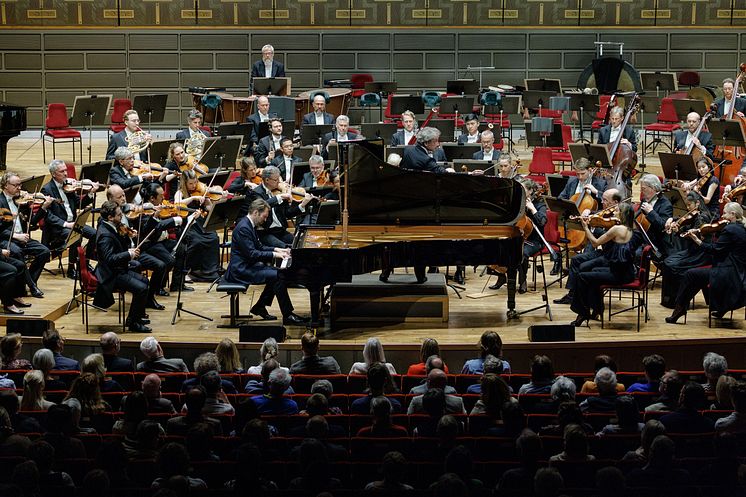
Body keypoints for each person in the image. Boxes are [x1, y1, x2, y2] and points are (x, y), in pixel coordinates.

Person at [223, 198, 307, 325]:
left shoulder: (249, 225)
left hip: (247, 266)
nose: (265, 219)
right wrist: (275, 255)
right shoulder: (243, 228)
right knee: (278, 275)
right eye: (264, 216)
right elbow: (252, 254)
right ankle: (287, 315)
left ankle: (260, 307)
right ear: (256, 212)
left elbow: (260, 247)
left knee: (277, 274)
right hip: (240, 270)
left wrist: (279, 249)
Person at [665, 202, 746, 323]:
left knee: (690, 274)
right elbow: (725, 247)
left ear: (733, 214)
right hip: (739, 271)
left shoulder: (730, 229)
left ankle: (679, 308)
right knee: (698, 277)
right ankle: (720, 308)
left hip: (729, 273)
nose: (722, 216)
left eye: (724, 213)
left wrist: (697, 240)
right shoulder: (740, 228)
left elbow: (714, 250)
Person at [570, 202, 636, 326]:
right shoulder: (631, 228)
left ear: (622, 214)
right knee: (593, 273)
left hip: (618, 275)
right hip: (628, 272)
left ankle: (582, 313)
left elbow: (595, 243)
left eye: (616, 211)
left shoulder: (617, 229)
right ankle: (597, 309)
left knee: (582, 276)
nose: (613, 213)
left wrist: (585, 227)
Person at [554, 188, 623, 304]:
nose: (602, 202)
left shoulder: (619, 218)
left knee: (584, 264)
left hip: (613, 257)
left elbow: (601, 239)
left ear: (615, 203)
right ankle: (572, 294)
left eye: (605, 200)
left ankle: (583, 296)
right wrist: (589, 213)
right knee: (576, 259)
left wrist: (590, 227)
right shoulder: (606, 214)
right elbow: (599, 216)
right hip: (605, 252)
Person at [92, 201, 150, 332]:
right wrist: (128, 254)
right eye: (119, 215)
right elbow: (109, 259)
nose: (121, 217)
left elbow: (117, 247)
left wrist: (128, 239)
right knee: (141, 288)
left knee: (145, 281)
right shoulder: (105, 236)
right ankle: (133, 324)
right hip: (111, 275)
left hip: (119, 269)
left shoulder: (111, 227)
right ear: (110, 217)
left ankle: (135, 316)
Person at [38, 159, 99, 278]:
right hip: (58, 227)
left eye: (66, 170)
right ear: (54, 174)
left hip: (74, 223)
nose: (66, 173)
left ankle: (84, 263)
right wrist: (65, 224)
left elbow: (78, 204)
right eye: (62, 171)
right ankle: (72, 268)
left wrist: (90, 193)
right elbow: (48, 216)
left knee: (95, 234)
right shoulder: (47, 189)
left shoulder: (68, 186)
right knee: (76, 237)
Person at [659, 190, 713, 308]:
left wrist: (679, 232)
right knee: (668, 261)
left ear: (697, 203)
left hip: (700, 254)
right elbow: (687, 228)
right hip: (693, 251)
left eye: (689, 205)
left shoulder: (702, 218)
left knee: (672, 265)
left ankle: (678, 300)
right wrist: (677, 228)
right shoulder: (696, 215)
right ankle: (670, 299)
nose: (688, 207)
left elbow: (694, 238)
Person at [0, 171, 50, 297]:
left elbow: (32, 222)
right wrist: (16, 236)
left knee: (44, 251)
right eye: (16, 185)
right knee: (17, 251)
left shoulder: (21, 201)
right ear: (6, 185)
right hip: (7, 240)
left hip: (23, 237)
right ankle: (32, 286)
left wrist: (43, 208)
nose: (19, 188)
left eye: (20, 185)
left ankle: (29, 281)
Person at [173, 169, 221, 282]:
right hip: (189, 224)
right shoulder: (180, 193)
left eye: (195, 182)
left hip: (201, 223)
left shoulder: (201, 190)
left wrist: (209, 200)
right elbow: (177, 204)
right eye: (191, 183)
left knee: (214, 238)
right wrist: (193, 198)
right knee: (196, 242)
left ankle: (211, 271)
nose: (194, 185)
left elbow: (209, 209)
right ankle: (190, 271)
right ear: (184, 183)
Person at [250, 166, 312, 248]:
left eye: (279, 179)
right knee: (285, 248)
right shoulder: (256, 192)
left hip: (280, 230)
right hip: (265, 232)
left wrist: (302, 205)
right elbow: (262, 206)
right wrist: (280, 197)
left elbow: (287, 214)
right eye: (276, 180)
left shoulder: (278, 192)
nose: (279, 182)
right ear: (267, 180)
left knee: (300, 244)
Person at [637, 173, 674, 259]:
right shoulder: (645, 200)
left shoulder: (666, 204)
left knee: (635, 253)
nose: (641, 191)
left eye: (643, 189)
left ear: (653, 188)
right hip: (642, 237)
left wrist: (651, 212)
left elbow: (662, 227)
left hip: (656, 243)